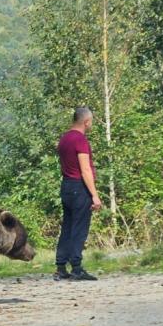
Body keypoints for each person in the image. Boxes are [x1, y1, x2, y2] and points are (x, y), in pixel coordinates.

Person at [54, 106, 101, 282]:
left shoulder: (64, 138)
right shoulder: (80, 140)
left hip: (66, 185)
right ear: (86, 121)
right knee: (79, 228)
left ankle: (60, 266)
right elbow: (85, 169)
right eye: (91, 121)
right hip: (79, 187)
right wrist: (94, 195)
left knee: (67, 226)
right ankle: (76, 267)